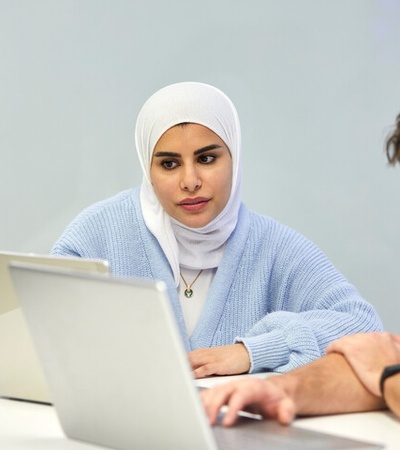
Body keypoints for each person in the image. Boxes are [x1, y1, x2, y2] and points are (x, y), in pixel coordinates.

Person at [51, 81, 383, 377]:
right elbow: (41, 328)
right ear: (146, 168)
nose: (190, 181)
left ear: (234, 158)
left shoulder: (275, 247)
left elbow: (364, 326)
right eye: (169, 164)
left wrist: (252, 352)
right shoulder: (97, 233)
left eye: (207, 159)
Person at [201, 112, 400, 424]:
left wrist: (387, 376)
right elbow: (369, 365)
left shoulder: (271, 240)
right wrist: (281, 390)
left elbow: (377, 358)